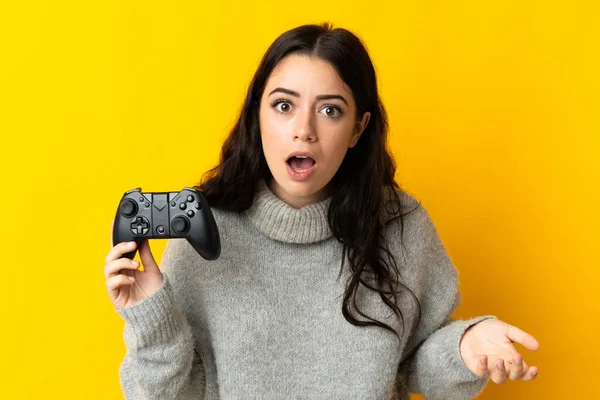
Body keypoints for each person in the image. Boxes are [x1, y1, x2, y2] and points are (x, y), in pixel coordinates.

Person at [103, 23, 540, 399]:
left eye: (330, 110)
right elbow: (170, 393)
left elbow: (416, 365)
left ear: (358, 129)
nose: (304, 130)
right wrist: (151, 316)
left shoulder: (402, 226)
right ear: (257, 115)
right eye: (283, 105)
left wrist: (465, 346)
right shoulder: (205, 231)